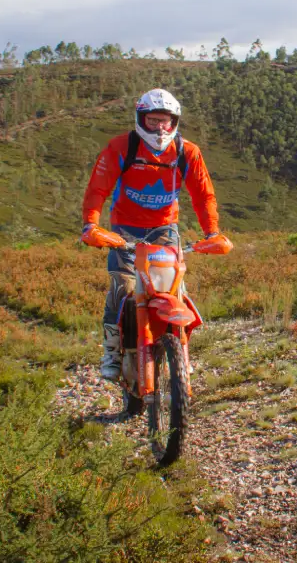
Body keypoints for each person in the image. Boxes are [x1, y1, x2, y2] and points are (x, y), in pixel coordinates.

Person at [81, 88, 226, 381]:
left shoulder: (187, 152)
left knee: (176, 289)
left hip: (164, 228)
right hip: (124, 229)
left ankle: (181, 352)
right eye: (153, 121)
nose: (160, 128)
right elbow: (98, 189)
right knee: (122, 285)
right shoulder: (122, 147)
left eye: (166, 121)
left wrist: (212, 232)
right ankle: (111, 350)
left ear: (175, 123)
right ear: (141, 119)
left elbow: (203, 196)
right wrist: (91, 226)